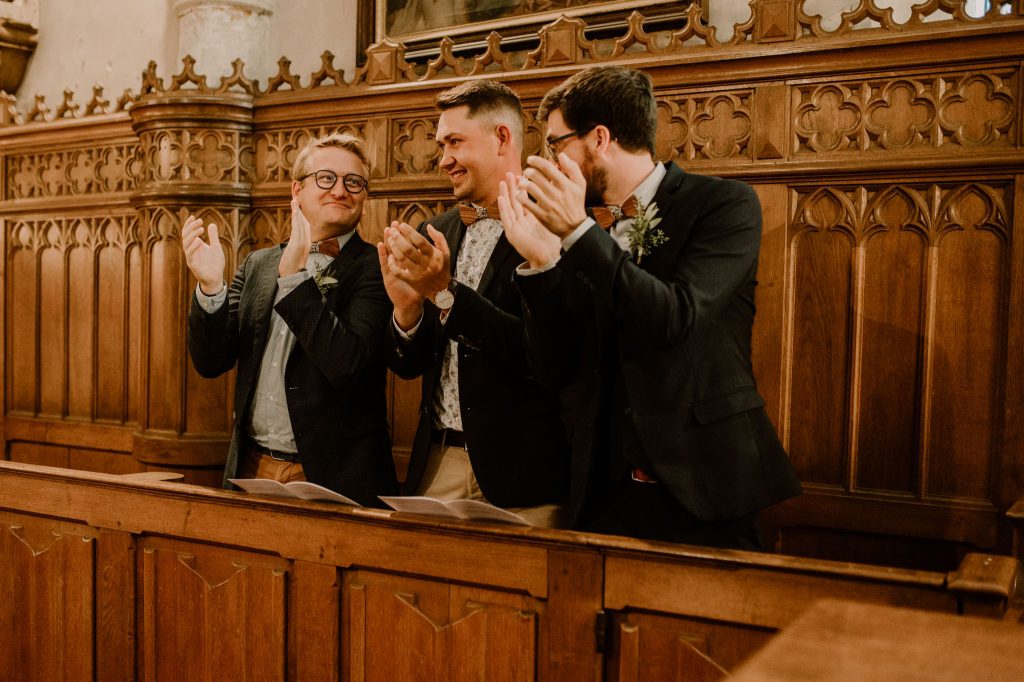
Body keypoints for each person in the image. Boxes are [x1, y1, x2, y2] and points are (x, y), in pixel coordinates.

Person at [499, 65, 802, 549]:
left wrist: (577, 233)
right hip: (600, 495)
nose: (549, 159)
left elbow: (674, 317)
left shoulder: (723, 205)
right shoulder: (582, 233)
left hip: (700, 488)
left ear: (599, 138)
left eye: (555, 144)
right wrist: (541, 264)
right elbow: (554, 367)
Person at [378, 79, 569, 527]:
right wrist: (406, 312)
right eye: (441, 144)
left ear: (502, 138)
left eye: (455, 142)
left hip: (524, 473)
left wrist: (445, 294)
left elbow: (542, 356)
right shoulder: (437, 229)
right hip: (439, 462)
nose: (444, 158)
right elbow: (409, 367)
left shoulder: (557, 222)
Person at [183, 133, 399, 506]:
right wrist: (211, 286)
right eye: (326, 178)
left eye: (354, 182)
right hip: (251, 466)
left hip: (332, 476)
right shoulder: (258, 264)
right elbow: (211, 361)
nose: (341, 190)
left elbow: (347, 366)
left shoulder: (378, 269)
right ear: (297, 189)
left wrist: (296, 280)